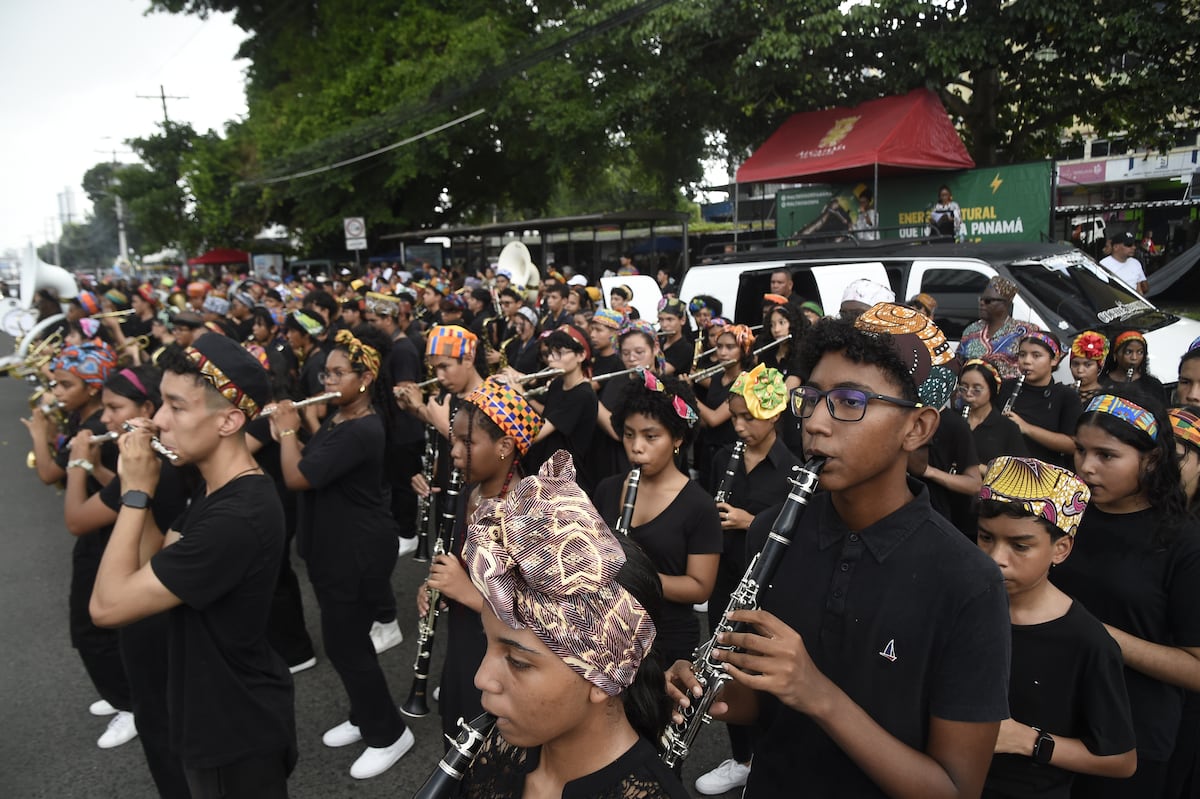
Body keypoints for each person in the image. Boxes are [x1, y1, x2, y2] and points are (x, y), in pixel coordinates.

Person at [668, 303, 1010, 798]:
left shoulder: (968, 582)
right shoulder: (771, 532)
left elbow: (955, 789)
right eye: (811, 398)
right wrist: (712, 691)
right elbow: (762, 700)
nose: (816, 424)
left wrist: (818, 694)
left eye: (850, 402)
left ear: (917, 428)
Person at [89, 335, 296, 799]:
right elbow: (158, 560)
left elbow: (106, 606)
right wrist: (139, 483)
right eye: (161, 403)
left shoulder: (237, 516)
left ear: (228, 420)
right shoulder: (215, 489)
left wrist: (135, 494)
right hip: (221, 707)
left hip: (232, 728)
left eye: (176, 407)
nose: (157, 420)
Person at [457, 452, 689, 798]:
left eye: (519, 661)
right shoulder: (497, 747)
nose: (481, 679)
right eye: (488, 642)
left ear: (603, 677)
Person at [271, 328, 415, 780]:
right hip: (337, 545)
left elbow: (298, 477)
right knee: (345, 642)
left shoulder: (364, 427)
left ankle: (389, 733)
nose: (327, 379)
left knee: (346, 645)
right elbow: (319, 458)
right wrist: (305, 426)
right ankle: (364, 713)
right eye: (325, 372)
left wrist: (287, 430)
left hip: (354, 551)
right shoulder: (341, 418)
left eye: (338, 373)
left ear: (366, 377)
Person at [1053, 388, 1200, 797]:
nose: (1086, 467)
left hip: (1128, 740)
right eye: (1080, 450)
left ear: (1152, 460)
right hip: (1047, 719)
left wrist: (1094, 631)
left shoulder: (1182, 544)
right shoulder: (1063, 513)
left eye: (1107, 456)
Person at [62, 364, 193, 796]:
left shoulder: (156, 467)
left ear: (148, 410)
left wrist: (81, 460)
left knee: (160, 717)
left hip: (147, 599)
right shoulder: (149, 464)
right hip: (150, 585)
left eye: (115, 408)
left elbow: (78, 520)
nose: (106, 419)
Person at [975, 456, 1137, 799]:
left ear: (1060, 549)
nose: (996, 558)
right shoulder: (961, 609)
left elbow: (1120, 760)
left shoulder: (1087, 641)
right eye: (986, 538)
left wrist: (1028, 741)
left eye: (1020, 546)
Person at [695, 364, 801, 796]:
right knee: (724, 666)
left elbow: (799, 533)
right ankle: (741, 757)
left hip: (767, 583)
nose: (738, 427)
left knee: (760, 673)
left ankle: (767, 758)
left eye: (748, 418)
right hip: (725, 578)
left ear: (774, 416)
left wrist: (750, 520)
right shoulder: (725, 457)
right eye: (734, 416)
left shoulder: (792, 469)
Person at [418, 377, 543, 743]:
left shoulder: (528, 513)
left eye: (466, 442)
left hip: (507, 667)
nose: (453, 451)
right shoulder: (467, 493)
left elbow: (541, 619)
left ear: (505, 445)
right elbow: (453, 567)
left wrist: (465, 591)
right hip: (463, 648)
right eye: (452, 439)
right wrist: (435, 589)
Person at [24, 342, 135, 749]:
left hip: (105, 533)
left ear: (91, 387)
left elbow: (51, 473)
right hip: (98, 531)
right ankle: (126, 691)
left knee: (89, 626)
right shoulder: (81, 416)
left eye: (65, 383)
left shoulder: (97, 428)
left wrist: (41, 434)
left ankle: (130, 702)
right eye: (55, 382)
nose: (56, 390)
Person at [595, 371, 721, 665]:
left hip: (666, 640)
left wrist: (638, 577)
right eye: (629, 434)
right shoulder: (608, 488)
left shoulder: (699, 505)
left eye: (651, 436)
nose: (637, 446)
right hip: (608, 631)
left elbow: (700, 586)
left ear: (677, 437)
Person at [514, 324, 598, 486]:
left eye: (559, 353)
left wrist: (518, 396)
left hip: (563, 477)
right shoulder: (557, 384)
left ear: (581, 356)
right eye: (550, 353)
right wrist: (524, 395)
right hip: (543, 466)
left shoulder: (582, 394)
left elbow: (537, 433)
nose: (551, 359)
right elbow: (547, 415)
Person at [1000, 332, 1080, 469]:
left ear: (1054, 360)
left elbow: (1073, 445)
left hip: (1044, 474)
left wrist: (1026, 428)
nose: (1026, 361)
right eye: (1022, 354)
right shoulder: (1005, 387)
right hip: (1004, 466)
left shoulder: (1066, 396)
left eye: (1036, 355)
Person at [693, 323, 755, 493]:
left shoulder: (746, 380)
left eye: (730, 347)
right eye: (719, 347)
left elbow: (714, 419)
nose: (722, 352)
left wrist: (690, 395)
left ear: (743, 350)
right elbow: (706, 421)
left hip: (731, 453)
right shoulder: (717, 377)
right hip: (709, 450)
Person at [957, 276, 1035, 379]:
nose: (981, 303)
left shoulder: (1026, 331)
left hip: (1010, 393)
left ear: (1006, 303)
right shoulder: (971, 330)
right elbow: (958, 363)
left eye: (988, 301)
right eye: (981, 299)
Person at [959, 358, 1028, 466]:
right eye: (964, 388)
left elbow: (1020, 472)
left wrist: (973, 466)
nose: (968, 394)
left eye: (977, 389)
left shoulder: (1008, 427)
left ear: (992, 389)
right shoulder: (952, 419)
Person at [1101, 330, 1167, 405]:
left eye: (1140, 352)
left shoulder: (1153, 385)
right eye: (1128, 352)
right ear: (1115, 354)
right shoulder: (1101, 383)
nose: (1134, 358)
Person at [1069, 330, 1108, 407]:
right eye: (1075, 364)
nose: (1080, 370)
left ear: (1099, 367)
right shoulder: (1061, 392)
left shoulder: (1106, 398)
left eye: (1087, 365)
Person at [657, 297, 693, 376]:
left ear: (682, 320)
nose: (664, 325)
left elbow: (661, 372)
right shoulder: (659, 341)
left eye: (670, 319)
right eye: (661, 320)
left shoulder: (685, 348)